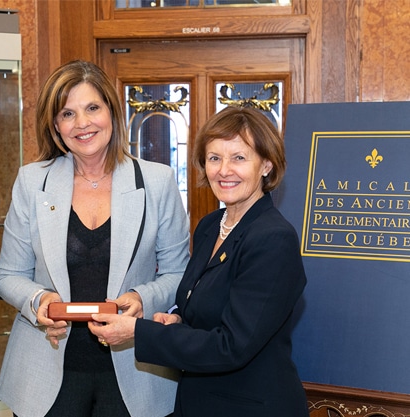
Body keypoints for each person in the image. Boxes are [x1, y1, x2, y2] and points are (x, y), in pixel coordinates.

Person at [0, 60, 190, 417]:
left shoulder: (157, 181)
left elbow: (179, 273)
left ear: (111, 112)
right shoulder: (32, 181)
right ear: (55, 125)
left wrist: (142, 297)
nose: (82, 123)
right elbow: (8, 275)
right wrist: (38, 300)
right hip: (45, 373)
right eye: (67, 114)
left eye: (92, 108)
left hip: (137, 372)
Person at [89, 106, 309, 416]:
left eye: (239, 158)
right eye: (214, 158)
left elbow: (231, 346)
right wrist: (178, 320)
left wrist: (139, 332)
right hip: (197, 400)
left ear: (266, 165)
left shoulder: (273, 239)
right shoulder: (210, 225)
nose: (224, 170)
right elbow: (206, 310)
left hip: (249, 407)